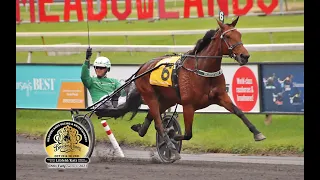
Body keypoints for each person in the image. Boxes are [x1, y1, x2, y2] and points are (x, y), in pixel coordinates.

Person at [81, 47, 125, 116]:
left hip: (114, 105)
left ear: (107, 69)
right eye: (96, 67)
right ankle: (114, 110)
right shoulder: (91, 81)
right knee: (105, 99)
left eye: (101, 68)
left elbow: (123, 92)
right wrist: (87, 60)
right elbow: (84, 77)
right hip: (99, 107)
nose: (98, 69)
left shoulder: (114, 81)